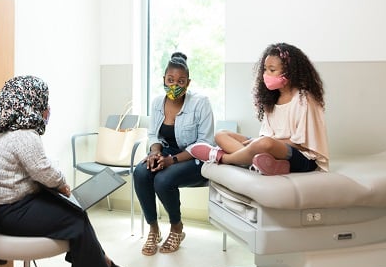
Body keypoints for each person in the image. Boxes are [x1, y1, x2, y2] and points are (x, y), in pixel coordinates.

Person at [0, 75, 128, 267]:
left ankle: (101, 260)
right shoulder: (24, 135)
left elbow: (34, 167)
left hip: (7, 209)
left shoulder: (7, 132)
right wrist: (63, 185)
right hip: (12, 212)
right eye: (44, 102)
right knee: (75, 219)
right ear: (30, 103)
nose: (47, 108)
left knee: (75, 209)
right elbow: (45, 171)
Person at [187, 42, 328, 175]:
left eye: (272, 70)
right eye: (265, 69)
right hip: (269, 147)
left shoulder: (304, 99)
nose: (265, 74)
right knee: (221, 135)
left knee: (264, 143)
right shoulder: (272, 99)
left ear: (289, 72)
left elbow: (302, 145)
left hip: (302, 158)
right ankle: (260, 162)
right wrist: (258, 142)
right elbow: (266, 136)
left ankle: (224, 158)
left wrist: (260, 142)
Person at [133, 52, 214, 256]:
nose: (174, 85)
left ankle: (176, 227)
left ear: (188, 83)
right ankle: (153, 229)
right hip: (167, 154)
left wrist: (172, 160)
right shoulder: (157, 103)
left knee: (163, 179)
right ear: (163, 80)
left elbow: (205, 143)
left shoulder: (200, 103)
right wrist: (154, 153)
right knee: (141, 173)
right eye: (170, 80)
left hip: (196, 159)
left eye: (180, 81)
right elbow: (153, 135)